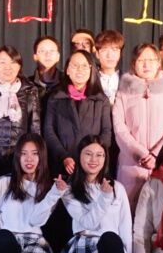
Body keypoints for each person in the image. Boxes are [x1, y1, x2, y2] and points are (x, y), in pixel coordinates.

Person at [113, 43, 163, 204]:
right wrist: (140, 153)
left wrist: (156, 155)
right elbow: (119, 128)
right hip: (131, 165)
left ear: (159, 63)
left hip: (162, 163)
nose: (146, 65)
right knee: (130, 210)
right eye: (141, 60)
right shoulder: (123, 93)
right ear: (134, 63)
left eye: (151, 60)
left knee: (161, 210)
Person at [58, 135, 131, 253]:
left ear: (105, 158)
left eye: (99, 155)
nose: (94, 160)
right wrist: (105, 198)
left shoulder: (117, 188)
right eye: (88, 154)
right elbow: (88, 223)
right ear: (79, 156)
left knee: (110, 238)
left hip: (111, 249)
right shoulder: (69, 190)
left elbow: (125, 227)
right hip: (84, 247)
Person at [41, 49, 114, 178]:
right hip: (63, 166)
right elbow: (49, 131)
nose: (80, 69)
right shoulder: (55, 98)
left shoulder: (101, 100)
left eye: (84, 66)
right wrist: (63, 156)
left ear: (91, 70)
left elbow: (106, 132)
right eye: (75, 65)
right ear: (67, 70)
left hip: (93, 169)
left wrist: (94, 157)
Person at [0, 45, 41, 179]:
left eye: (13, 62)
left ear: (19, 66)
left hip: (20, 161)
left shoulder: (30, 91)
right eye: (3, 62)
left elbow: (35, 129)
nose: (8, 67)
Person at [93, 30, 125, 104]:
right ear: (97, 54)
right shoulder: (91, 79)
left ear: (120, 54)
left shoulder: (127, 80)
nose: (109, 55)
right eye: (104, 50)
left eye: (114, 50)